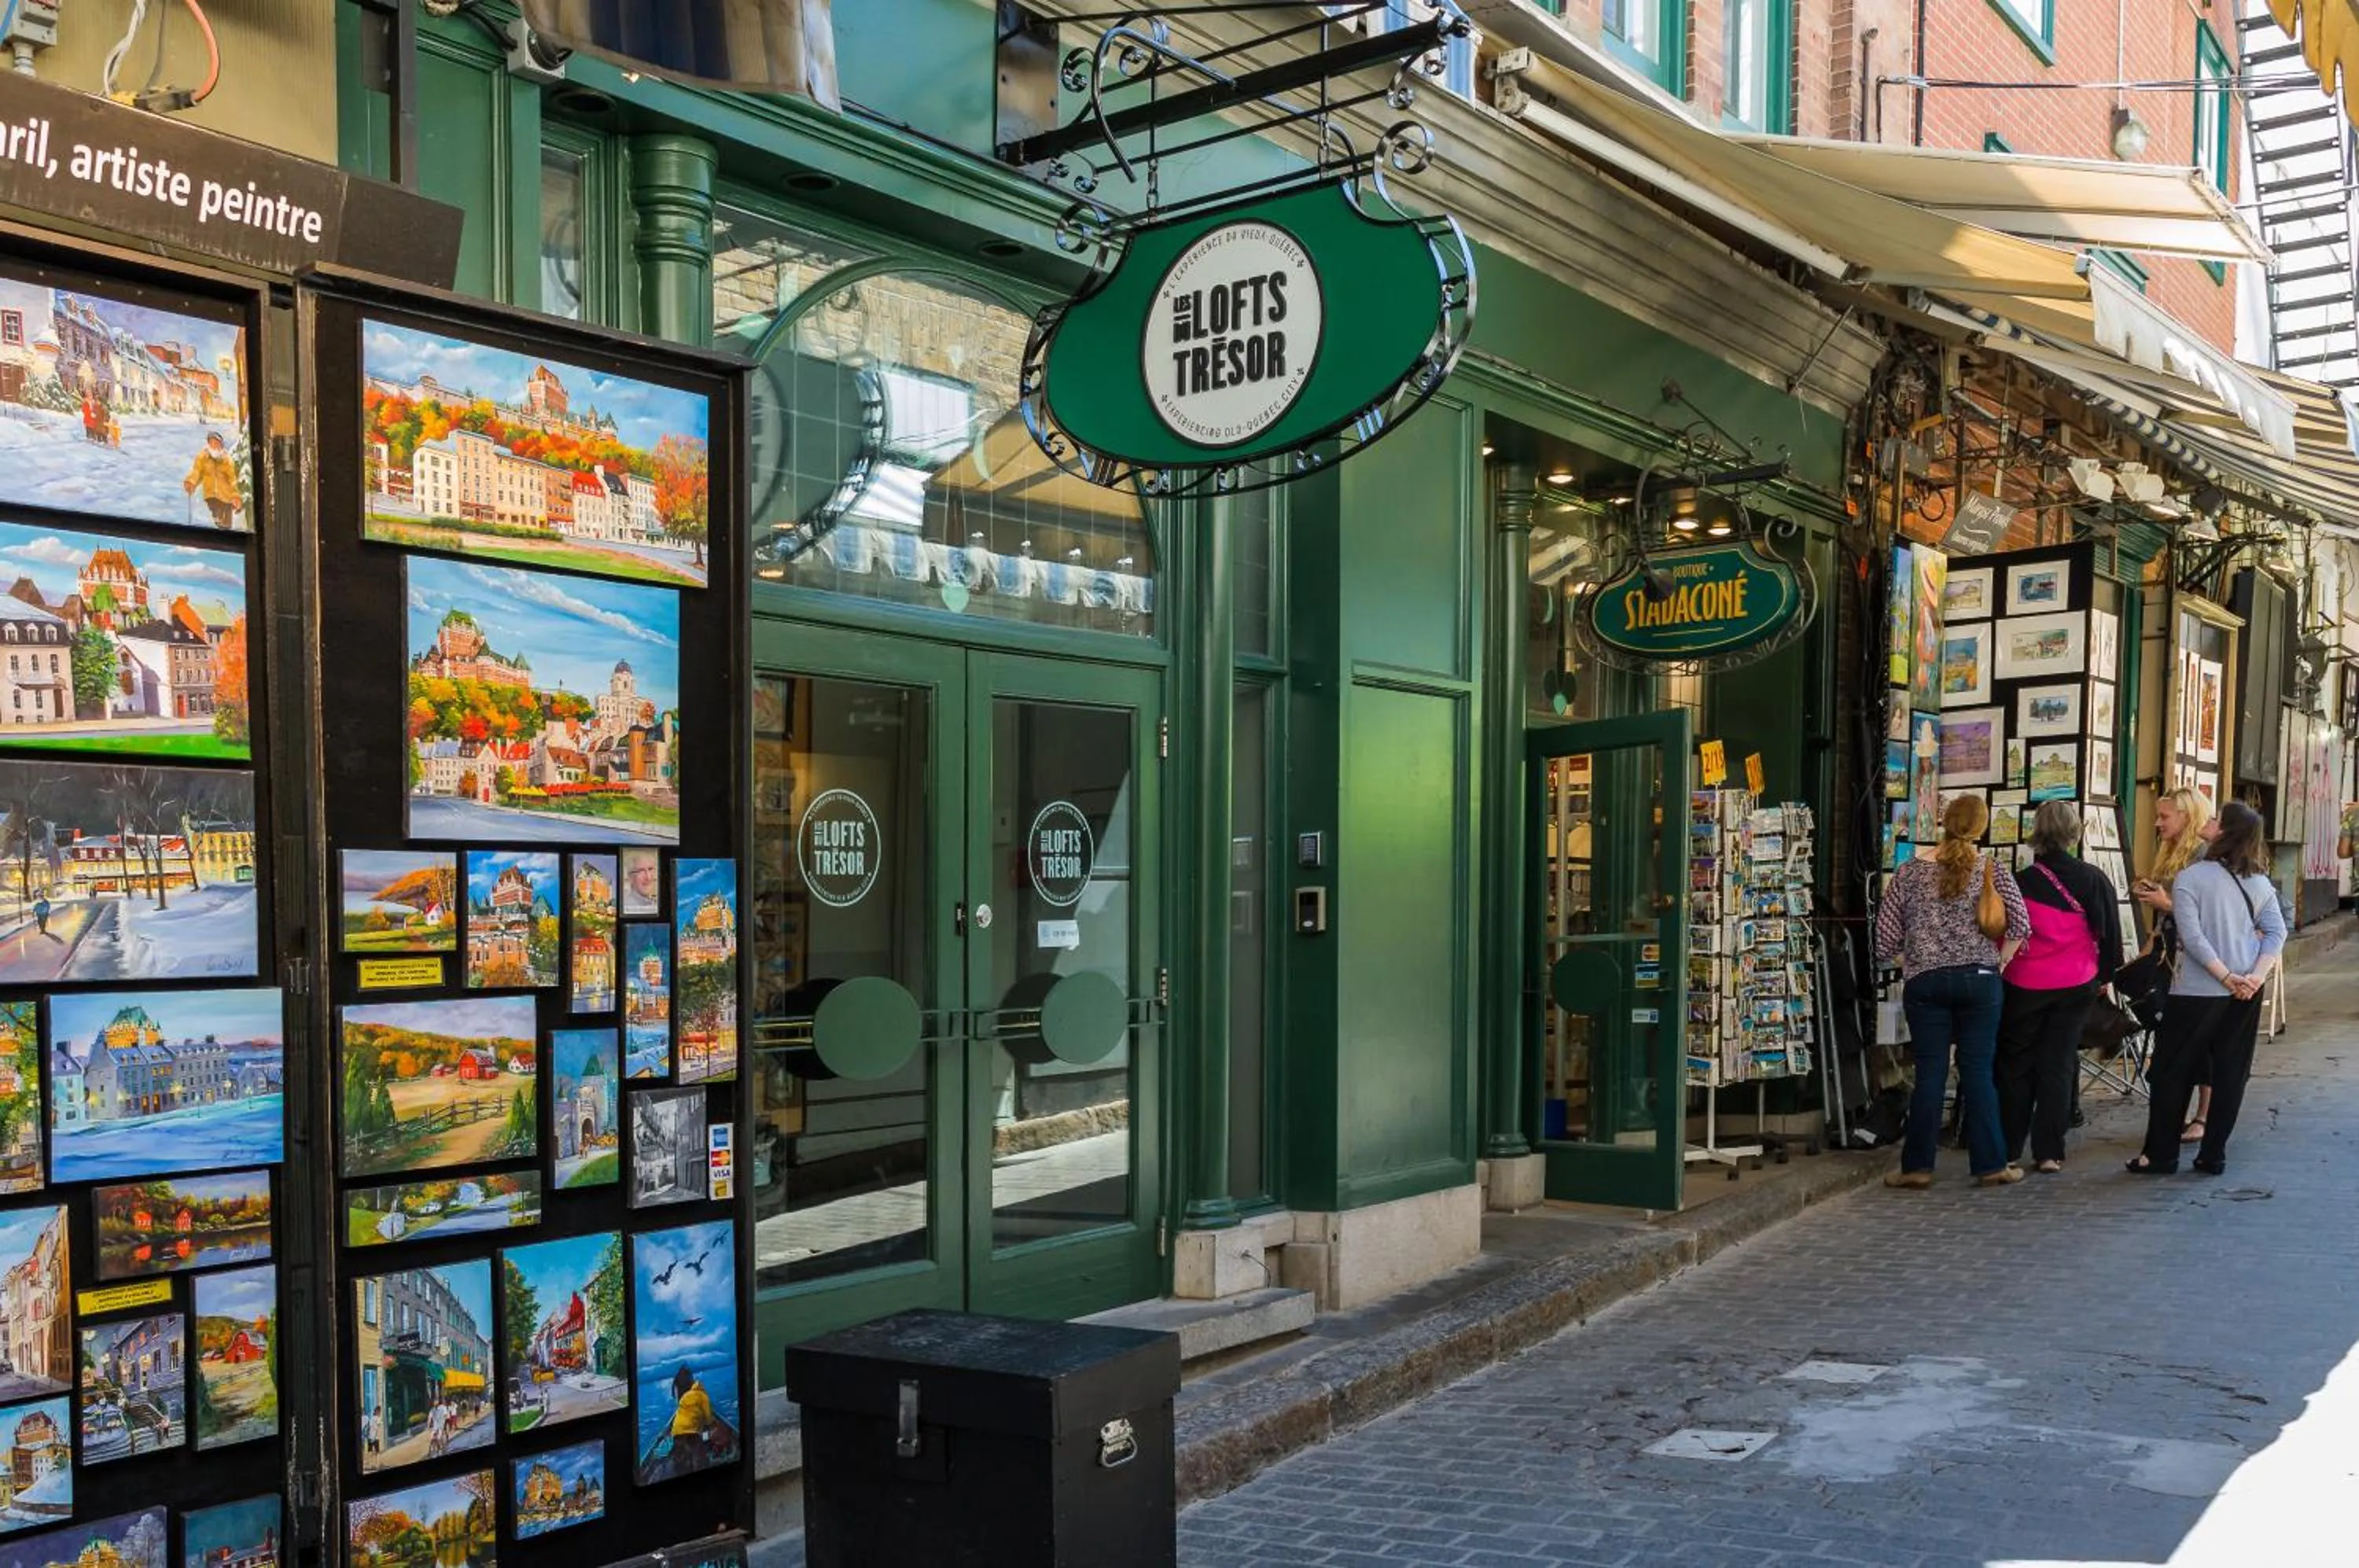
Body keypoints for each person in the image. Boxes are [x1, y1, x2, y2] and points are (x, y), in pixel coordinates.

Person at [1874, 793, 2032, 1188]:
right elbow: (2020, 926)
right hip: (1981, 979)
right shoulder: (1992, 870)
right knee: (1977, 1071)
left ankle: (1917, 1168)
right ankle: (1992, 1164)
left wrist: (1910, 962)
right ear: (1980, 828)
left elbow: (1884, 942)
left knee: (1930, 1072)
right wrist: (2000, 963)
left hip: (1925, 983)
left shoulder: (1908, 873)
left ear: (1944, 822)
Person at [2129, 802, 2287, 1177]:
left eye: (2216, 819)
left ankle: (2161, 1155)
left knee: (2172, 1071)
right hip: (2244, 994)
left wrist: (2224, 976)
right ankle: (2213, 1154)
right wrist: (2254, 977)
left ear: (2224, 832)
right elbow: (2278, 932)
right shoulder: (2259, 882)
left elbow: (2192, 937)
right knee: (2231, 1072)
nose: (2209, 822)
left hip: (2197, 991)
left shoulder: (2191, 878)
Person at [1997, 801, 2124, 1173]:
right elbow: (2110, 935)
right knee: (2058, 1063)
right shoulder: (2094, 879)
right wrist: (2104, 977)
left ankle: (2007, 1148)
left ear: (2038, 832)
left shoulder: (2020, 882)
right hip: (2075, 983)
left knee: (2016, 1066)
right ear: (2075, 832)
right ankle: (2049, 1151)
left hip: (2023, 984)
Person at [2133, 788, 2217, 1144]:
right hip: (2171, 957)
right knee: (2176, 1035)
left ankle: (2203, 1116)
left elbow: (2204, 915)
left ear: (2187, 816)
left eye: (2165, 816)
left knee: (2203, 1038)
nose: (2157, 823)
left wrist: (2164, 902)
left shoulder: (2204, 856)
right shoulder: (2171, 853)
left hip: (2198, 960)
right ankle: (2178, 1111)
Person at [183, 432, 243, 529]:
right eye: (211, 443)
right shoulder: (203, 457)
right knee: (216, 519)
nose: (213, 446)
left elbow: (232, 480)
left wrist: (235, 496)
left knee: (227, 525)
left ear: (221, 445)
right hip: (211, 495)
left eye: (216, 443)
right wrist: (191, 482)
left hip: (226, 497)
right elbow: (197, 472)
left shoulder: (227, 460)